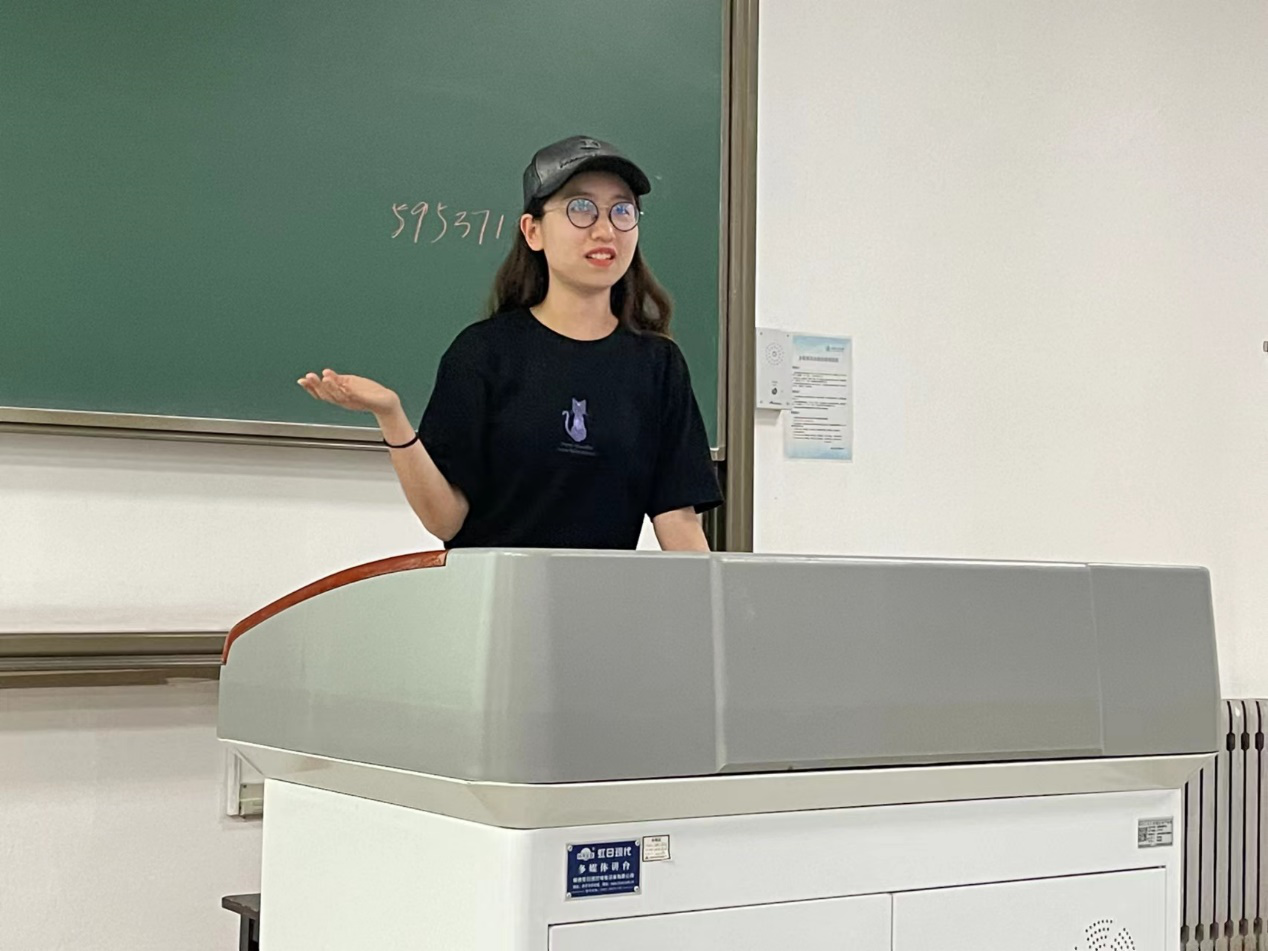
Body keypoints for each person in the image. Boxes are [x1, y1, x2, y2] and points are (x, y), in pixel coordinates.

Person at [298, 135, 722, 551]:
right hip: (493, 592)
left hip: (603, 594)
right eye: (581, 208)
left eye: (622, 211)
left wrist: (715, 596)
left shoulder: (657, 364)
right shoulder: (483, 353)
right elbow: (445, 519)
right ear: (533, 231)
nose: (605, 229)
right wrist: (391, 416)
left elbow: (678, 523)